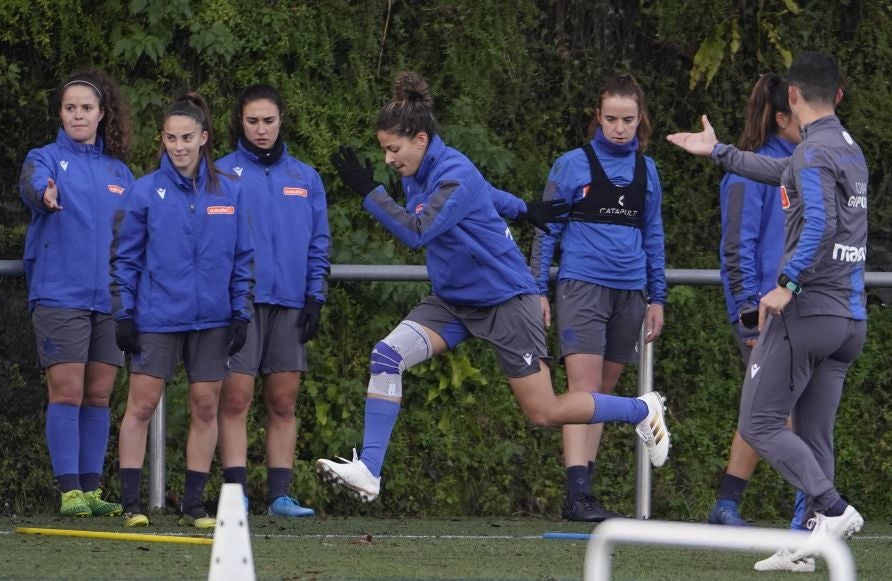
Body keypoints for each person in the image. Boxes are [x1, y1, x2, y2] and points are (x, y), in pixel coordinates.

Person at [315, 71, 670, 504]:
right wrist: (524, 209)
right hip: (453, 301)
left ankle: (643, 409)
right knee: (387, 356)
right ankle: (370, 470)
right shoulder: (419, 171)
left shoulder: (454, 172)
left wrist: (369, 192)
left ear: (421, 140)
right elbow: (488, 194)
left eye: (393, 149)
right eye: (384, 150)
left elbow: (417, 231)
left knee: (545, 411)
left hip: (506, 300)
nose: (387, 159)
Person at [667, 51, 867, 572]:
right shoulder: (846, 149)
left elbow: (820, 222)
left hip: (808, 313)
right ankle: (805, 543)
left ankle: (834, 509)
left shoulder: (812, 152)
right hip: (849, 319)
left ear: (792, 96)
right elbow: (780, 170)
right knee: (814, 434)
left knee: (758, 424)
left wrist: (787, 283)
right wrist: (718, 152)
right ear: (838, 95)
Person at [111, 93, 255, 528]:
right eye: (171, 138)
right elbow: (125, 259)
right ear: (163, 139)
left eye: (187, 138)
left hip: (213, 320)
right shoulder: (143, 191)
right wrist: (124, 313)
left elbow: (243, 258)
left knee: (206, 407)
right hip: (157, 317)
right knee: (141, 406)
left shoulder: (231, 190)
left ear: (203, 138)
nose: (179, 146)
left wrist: (241, 312)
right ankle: (131, 504)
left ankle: (193, 505)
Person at [529, 73, 666, 522]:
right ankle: (577, 493)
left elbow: (653, 235)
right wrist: (538, 290)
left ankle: (584, 487)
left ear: (640, 119)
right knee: (583, 390)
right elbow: (546, 230)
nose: (619, 128)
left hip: (631, 293)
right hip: (582, 287)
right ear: (598, 117)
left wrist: (657, 297)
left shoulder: (648, 170)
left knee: (604, 394)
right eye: (611, 119)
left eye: (628, 120)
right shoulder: (571, 165)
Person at [19, 69, 134, 518]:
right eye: (70, 108)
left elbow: (134, 235)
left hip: (110, 299)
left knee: (99, 395)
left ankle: (90, 488)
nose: (78, 115)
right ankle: (69, 491)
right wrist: (43, 195)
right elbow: (32, 185)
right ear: (61, 113)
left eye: (86, 108)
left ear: (102, 113)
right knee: (66, 392)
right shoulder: (45, 158)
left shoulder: (119, 172)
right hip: (60, 294)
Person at [215, 84, 330, 517]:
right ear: (240, 122)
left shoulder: (305, 177)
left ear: (282, 120)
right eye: (252, 121)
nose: (261, 129)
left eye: (269, 120)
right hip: (241, 305)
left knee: (283, 401)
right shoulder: (221, 174)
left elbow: (319, 242)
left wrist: (315, 297)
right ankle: (236, 493)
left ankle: (280, 495)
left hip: (291, 302)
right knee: (235, 399)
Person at [709, 73, 807, 529]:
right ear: (782, 118)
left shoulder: (804, 166)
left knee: (766, 408)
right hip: (764, 314)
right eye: (803, 114)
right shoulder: (748, 172)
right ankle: (817, 502)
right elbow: (736, 249)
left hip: (797, 309)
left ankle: (727, 504)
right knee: (783, 411)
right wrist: (748, 317)